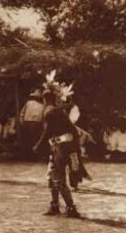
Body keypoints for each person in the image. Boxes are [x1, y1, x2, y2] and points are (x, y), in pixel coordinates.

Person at [33, 89, 81, 218]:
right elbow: (72, 130)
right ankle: (54, 205)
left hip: (61, 148)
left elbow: (48, 131)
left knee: (58, 178)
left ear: (44, 99)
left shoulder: (50, 112)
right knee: (51, 177)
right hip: (62, 147)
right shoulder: (58, 111)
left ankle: (71, 208)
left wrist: (38, 145)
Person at [20, 89, 45, 158]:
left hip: (34, 123)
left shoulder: (42, 105)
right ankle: (29, 155)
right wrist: (22, 121)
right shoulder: (29, 103)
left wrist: (22, 121)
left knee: (32, 139)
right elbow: (22, 113)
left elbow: (22, 113)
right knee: (29, 140)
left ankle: (32, 155)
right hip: (30, 123)